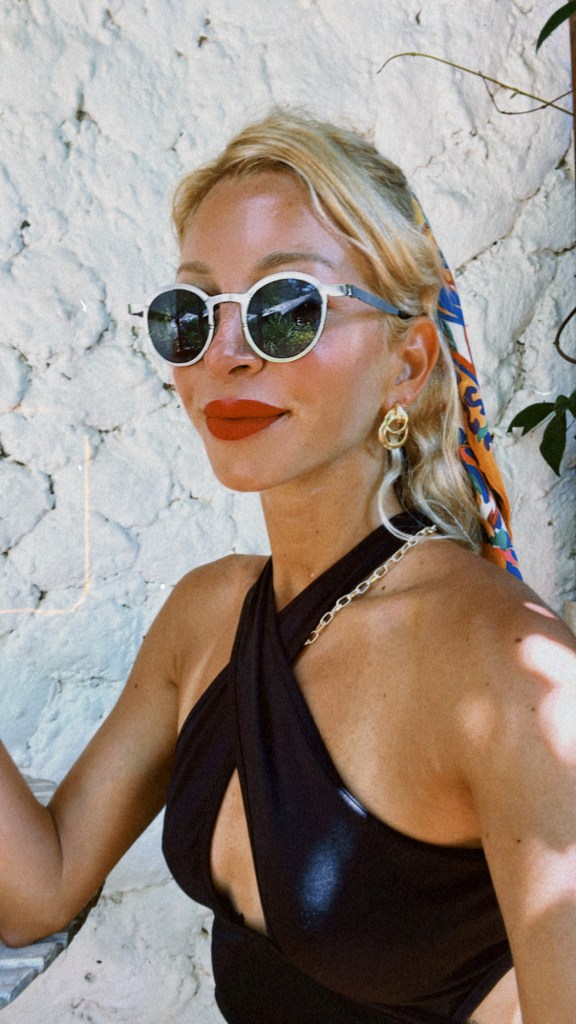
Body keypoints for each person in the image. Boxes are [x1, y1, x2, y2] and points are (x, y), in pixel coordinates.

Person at [1, 109, 575, 1024]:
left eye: (285, 310)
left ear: (406, 363)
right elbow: (44, 886)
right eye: (190, 315)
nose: (224, 356)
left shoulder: (510, 673)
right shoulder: (206, 618)